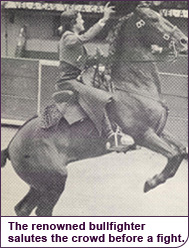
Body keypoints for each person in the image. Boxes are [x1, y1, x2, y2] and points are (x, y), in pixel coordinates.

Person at [45, 2, 134, 152]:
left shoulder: (72, 41)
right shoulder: (68, 37)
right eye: (81, 19)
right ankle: (111, 136)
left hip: (76, 80)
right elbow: (85, 38)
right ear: (74, 23)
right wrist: (104, 19)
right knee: (98, 96)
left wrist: (98, 58)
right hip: (69, 82)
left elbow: (81, 61)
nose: (83, 21)